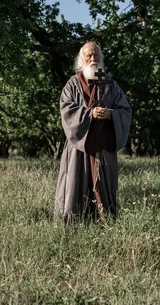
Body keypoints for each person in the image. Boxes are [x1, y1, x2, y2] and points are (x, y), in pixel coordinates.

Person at [55, 42, 132, 220]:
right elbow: (67, 110)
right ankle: (75, 220)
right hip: (79, 146)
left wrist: (111, 114)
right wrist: (89, 113)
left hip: (104, 144)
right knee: (75, 182)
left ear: (101, 58)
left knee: (105, 186)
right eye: (88, 55)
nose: (92, 59)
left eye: (96, 55)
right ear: (81, 59)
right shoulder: (72, 84)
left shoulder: (110, 84)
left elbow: (125, 110)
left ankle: (106, 219)